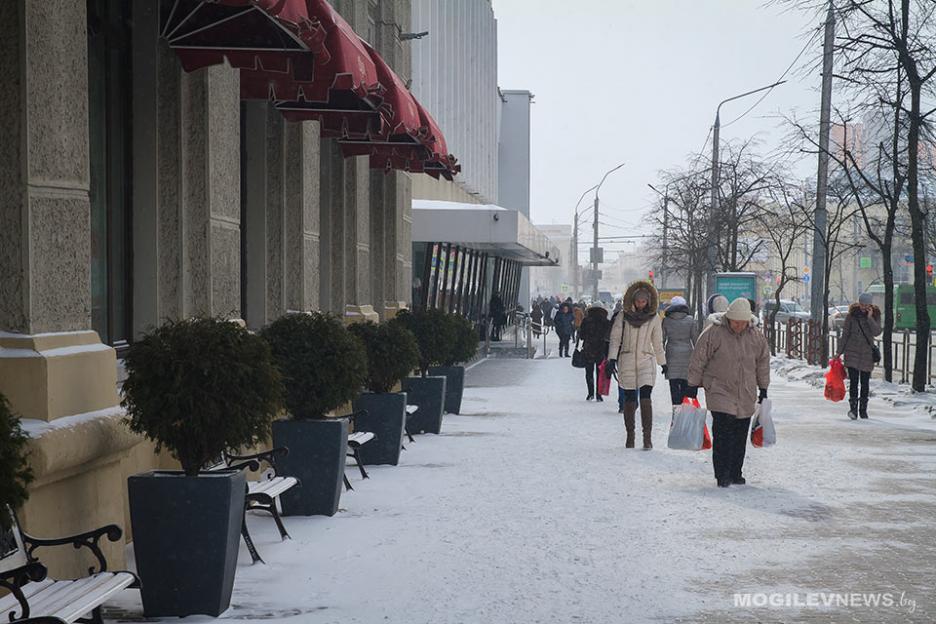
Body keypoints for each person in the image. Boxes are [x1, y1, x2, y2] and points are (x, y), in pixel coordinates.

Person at [687, 298, 770, 487]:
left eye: (743, 323)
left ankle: (735, 472)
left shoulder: (756, 336)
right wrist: (692, 384)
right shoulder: (714, 333)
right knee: (723, 432)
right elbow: (698, 359)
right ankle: (722, 474)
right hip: (719, 389)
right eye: (735, 322)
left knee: (740, 435)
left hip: (746, 391)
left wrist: (763, 387)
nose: (739, 326)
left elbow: (762, 364)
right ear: (728, 318)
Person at [607, 281, 666, 449]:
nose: (641, 304)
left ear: (648, 301)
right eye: (638, 301)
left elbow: (658, 342)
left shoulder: (654, 318)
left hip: (646, 360)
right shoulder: (623, 317)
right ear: (633, 301)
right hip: (626, 360)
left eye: (644, 301)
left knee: (646, 397)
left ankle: (647, 438)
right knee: (630, 398)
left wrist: (663, 363)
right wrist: (611, 359)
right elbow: (615, 339)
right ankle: (630, 436)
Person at [835, 292, 882, 419]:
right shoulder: (852, 316)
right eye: (862, 304)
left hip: (867, 354)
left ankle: (863, 410)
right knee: (854, 382)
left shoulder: (876, 314)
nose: (863, 307)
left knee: (865, 383)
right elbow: (845, 335)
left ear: (870, 305)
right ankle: (853, 409)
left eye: (866, 304)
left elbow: (877, 332)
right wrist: (839, 352)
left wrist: (870, 318)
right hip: (852, 352)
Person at [662, 296, 698, 413]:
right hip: (687, 353)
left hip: (672, 353)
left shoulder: (666, 320)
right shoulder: (690, 320)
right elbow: (695, 339)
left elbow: (662, 339)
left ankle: (675, 408)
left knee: (673, 383)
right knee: (684, 382)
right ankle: (684, 408)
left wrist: (662, 358)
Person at [578, 305, 611, 401]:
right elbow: (609, 337)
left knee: (589, 372)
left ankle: (590, 393)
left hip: (589, 349)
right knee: (600, 373)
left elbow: (582, 336)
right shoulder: (606, 322)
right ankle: (599, 394)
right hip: (601, 350)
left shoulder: (586, 321)